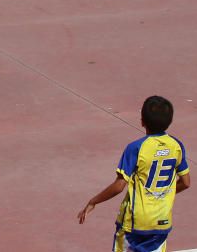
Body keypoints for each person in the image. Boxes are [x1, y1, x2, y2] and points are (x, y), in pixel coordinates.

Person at [77, 95, 190, 252]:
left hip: (134, 223)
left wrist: (93, 201)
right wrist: (162, 193)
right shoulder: (176, 146)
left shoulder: (136, 148)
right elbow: (186, 182)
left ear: (142, 121)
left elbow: (119, 186)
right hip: (161, 222)